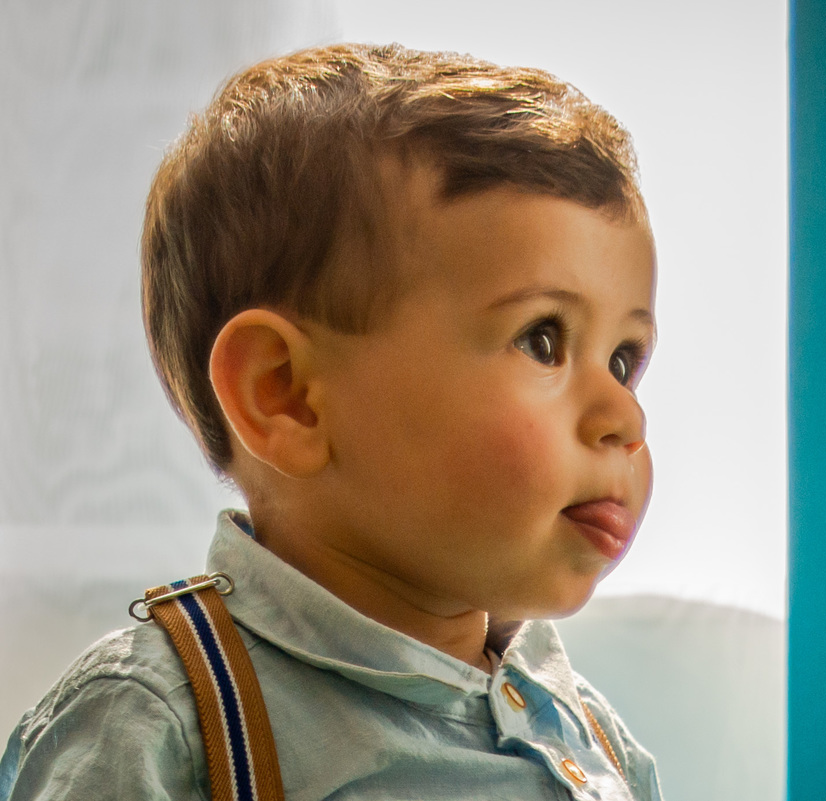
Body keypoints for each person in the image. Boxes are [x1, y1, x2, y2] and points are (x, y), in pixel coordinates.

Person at [0, 43, 662, 800]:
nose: (624, 414)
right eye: (542, 339)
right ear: (287, 395)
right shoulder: (161, 722)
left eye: (623, 359)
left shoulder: (597, 739)